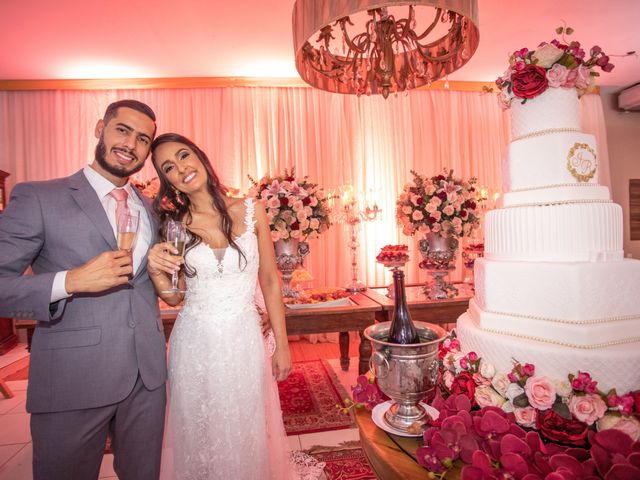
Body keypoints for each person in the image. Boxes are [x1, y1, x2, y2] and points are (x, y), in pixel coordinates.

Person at [0, 100, 167, 480]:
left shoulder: (152, 209)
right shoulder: (39, 197)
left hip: (148, 377)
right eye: (122, 130)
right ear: (99, 129)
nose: (131, 144)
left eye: (143, 139)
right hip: (72, 377)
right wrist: (69, 281)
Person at [147, 133, 324, 479]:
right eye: (169, 167)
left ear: (199, 156)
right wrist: (155, 269)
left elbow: (270, 280)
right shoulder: (174, 225)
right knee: (201, 426)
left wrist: (283, 346)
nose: (180, 168)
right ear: (167, 181)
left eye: (184, 156)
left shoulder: (250, 208)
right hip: (194, 342)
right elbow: (173, 296)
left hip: (243, 337)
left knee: (245, 422)